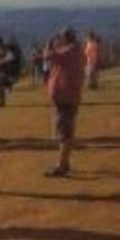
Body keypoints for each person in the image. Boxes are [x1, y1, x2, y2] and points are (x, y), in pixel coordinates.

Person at [43, 27, 86, 177]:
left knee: (64, 131)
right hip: (69, 96)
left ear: (66, 38)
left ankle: (62, 165)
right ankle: (64, 163)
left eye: (60, 37)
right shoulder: (75, 50)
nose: (58, 39)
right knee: (66, 129)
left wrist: (49, 44)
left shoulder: (69, 51)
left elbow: (48, 56)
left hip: (65, 97)